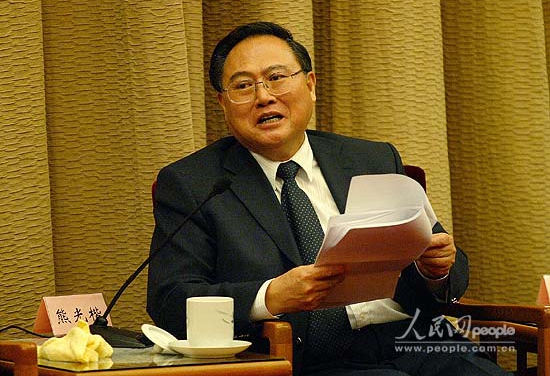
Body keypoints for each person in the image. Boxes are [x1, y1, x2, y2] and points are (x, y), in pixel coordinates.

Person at [147, 22, 511, 376]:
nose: (264, 96)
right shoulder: (194, 183)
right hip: (307, 357)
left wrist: (435, 270)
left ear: (310, 85)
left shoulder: (372, 159)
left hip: (417, 342)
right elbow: (170, 300)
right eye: (243, 86)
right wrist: (269, 297)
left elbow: (446, 267)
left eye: (277, 77)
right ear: (223, 104)